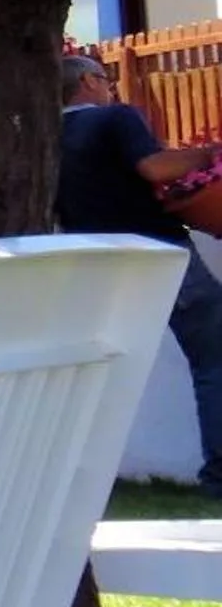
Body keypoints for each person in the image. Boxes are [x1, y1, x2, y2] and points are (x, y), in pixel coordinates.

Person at [60, 53, 222, 498]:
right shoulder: (115, 118)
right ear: (90, 82)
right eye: (106, 79)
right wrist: (208, 153)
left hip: (98, 264)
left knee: (100, 371)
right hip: (157, 254)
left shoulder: (46, 136)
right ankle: (219, 477)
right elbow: (154, 167)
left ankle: (78, 481)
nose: (110, 87)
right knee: (214, 359)